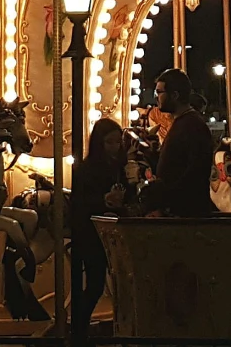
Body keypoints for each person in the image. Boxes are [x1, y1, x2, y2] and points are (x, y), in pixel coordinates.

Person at [68, 119, 128, 327]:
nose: (115, 147)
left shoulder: (119, 167)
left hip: (113, 231)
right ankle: (79, 332)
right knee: (94, 285)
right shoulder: (87, 170)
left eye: (118, 142)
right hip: (91, 234)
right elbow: (79, 202)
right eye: (110, 142)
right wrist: (104, 200)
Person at [138, 69, 215, 218]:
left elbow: (193, 174)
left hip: (185, 213)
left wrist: (161, 195)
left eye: (159, 93)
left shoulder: (193, 126)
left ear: (174, 95)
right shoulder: (182, 123)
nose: (157, 98)